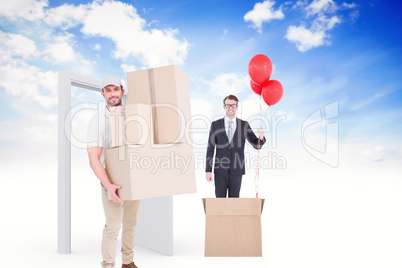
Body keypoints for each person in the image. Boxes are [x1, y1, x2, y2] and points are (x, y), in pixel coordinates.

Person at [87, 75, 140, 268]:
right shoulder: (98, 121)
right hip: (110, 178)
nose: (112, 94)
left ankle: (128, 262)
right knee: (113, 225)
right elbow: (93, 158)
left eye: (115, 89)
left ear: (122, 91)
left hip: (132, 176)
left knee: (131, 223)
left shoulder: (131, 116)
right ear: (103, 94)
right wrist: (108, 185)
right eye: (107, 91)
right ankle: (108, 265)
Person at [205, 95, 266, 198]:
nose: (230, 108)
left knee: (235, 203)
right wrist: (208, 170)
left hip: (237, 170)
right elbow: (210, 148)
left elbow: (256, 145)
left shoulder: (244, 125)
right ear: (224, 107)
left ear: (237, 107)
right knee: (220, 201)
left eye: (233, 105)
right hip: (220, 169)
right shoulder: (215, 125)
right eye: (228, 105)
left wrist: (261, 136)